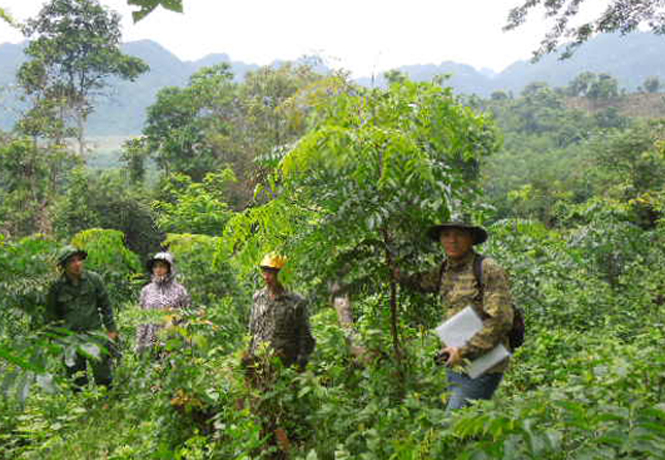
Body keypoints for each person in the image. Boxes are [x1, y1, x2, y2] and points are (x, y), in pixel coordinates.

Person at [396, 219, 514, 412]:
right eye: (446, 235)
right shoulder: (445, 268)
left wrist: (464, 350)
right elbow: (423, 282)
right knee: (469, 421)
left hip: (484, 362)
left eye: (459, 234)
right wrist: (396, 273)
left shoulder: (487, 268)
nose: (452, 240)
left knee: (455, 424)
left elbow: (500, 320)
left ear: (471, 239)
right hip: (455, 358)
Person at [46, 245, 118, 389]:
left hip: (94, 334)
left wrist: (111, 330)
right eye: (72, 261)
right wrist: (55, 340)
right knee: (76, 378)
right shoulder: (56, 287)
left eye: (79, 260)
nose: (77, 264)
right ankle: (84, 407)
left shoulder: (94, 279)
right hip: (70, 338)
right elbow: (51, 315)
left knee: (103, 375)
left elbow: (106, 306)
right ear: (64, 266)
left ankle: (107, 404)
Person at [247, 253, 315, 370]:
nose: (266, 277)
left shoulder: (295, 302)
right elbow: (252, 330)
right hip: (259, 364)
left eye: (271, 273)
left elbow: (305, 337)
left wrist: (300, 364)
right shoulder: (258, 298)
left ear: (282, 274)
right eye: (265, 272)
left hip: (285, 366)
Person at [135, 251, 191, 354]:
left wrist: (185, 344)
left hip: (172, 341)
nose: (158, 270)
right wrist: (139, 344)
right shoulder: (146, 291)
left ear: (169, 269)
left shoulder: (180, 290)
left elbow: (186, 317)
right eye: (155, 267)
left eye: (162, 266)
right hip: (151, 341)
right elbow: (142, 319)